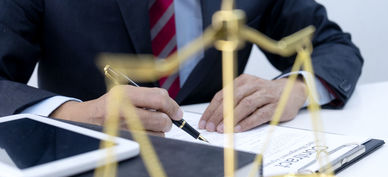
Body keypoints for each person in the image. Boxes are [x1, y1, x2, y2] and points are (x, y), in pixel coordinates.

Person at [0, 0, 363, 135]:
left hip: (216, 164)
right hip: (85, 172)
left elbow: (332, 45)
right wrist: (72, 113)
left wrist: (295, 88)